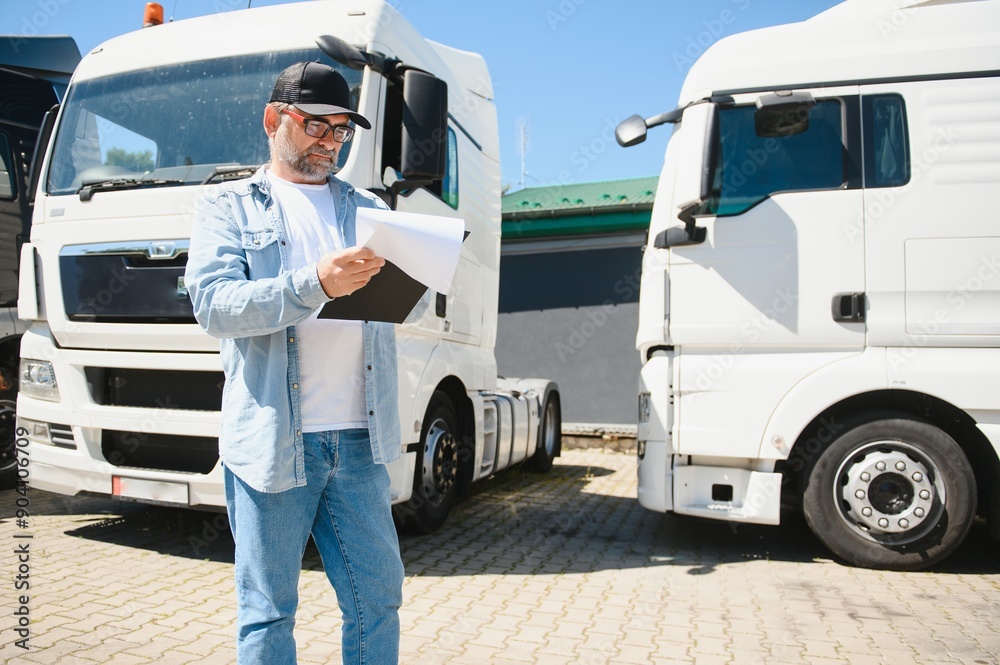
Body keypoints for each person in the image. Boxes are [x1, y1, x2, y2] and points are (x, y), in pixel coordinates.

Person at [184, 61, 405, 664]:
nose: (331, 141)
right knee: (268, 611)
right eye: (316, 126)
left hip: (361, 440)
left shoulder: (368, 209)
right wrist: (315, 284)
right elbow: (214, 306)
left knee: (378, 601)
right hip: (276, 441)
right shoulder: (228, 206)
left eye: (341, 130)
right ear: (273, 120)